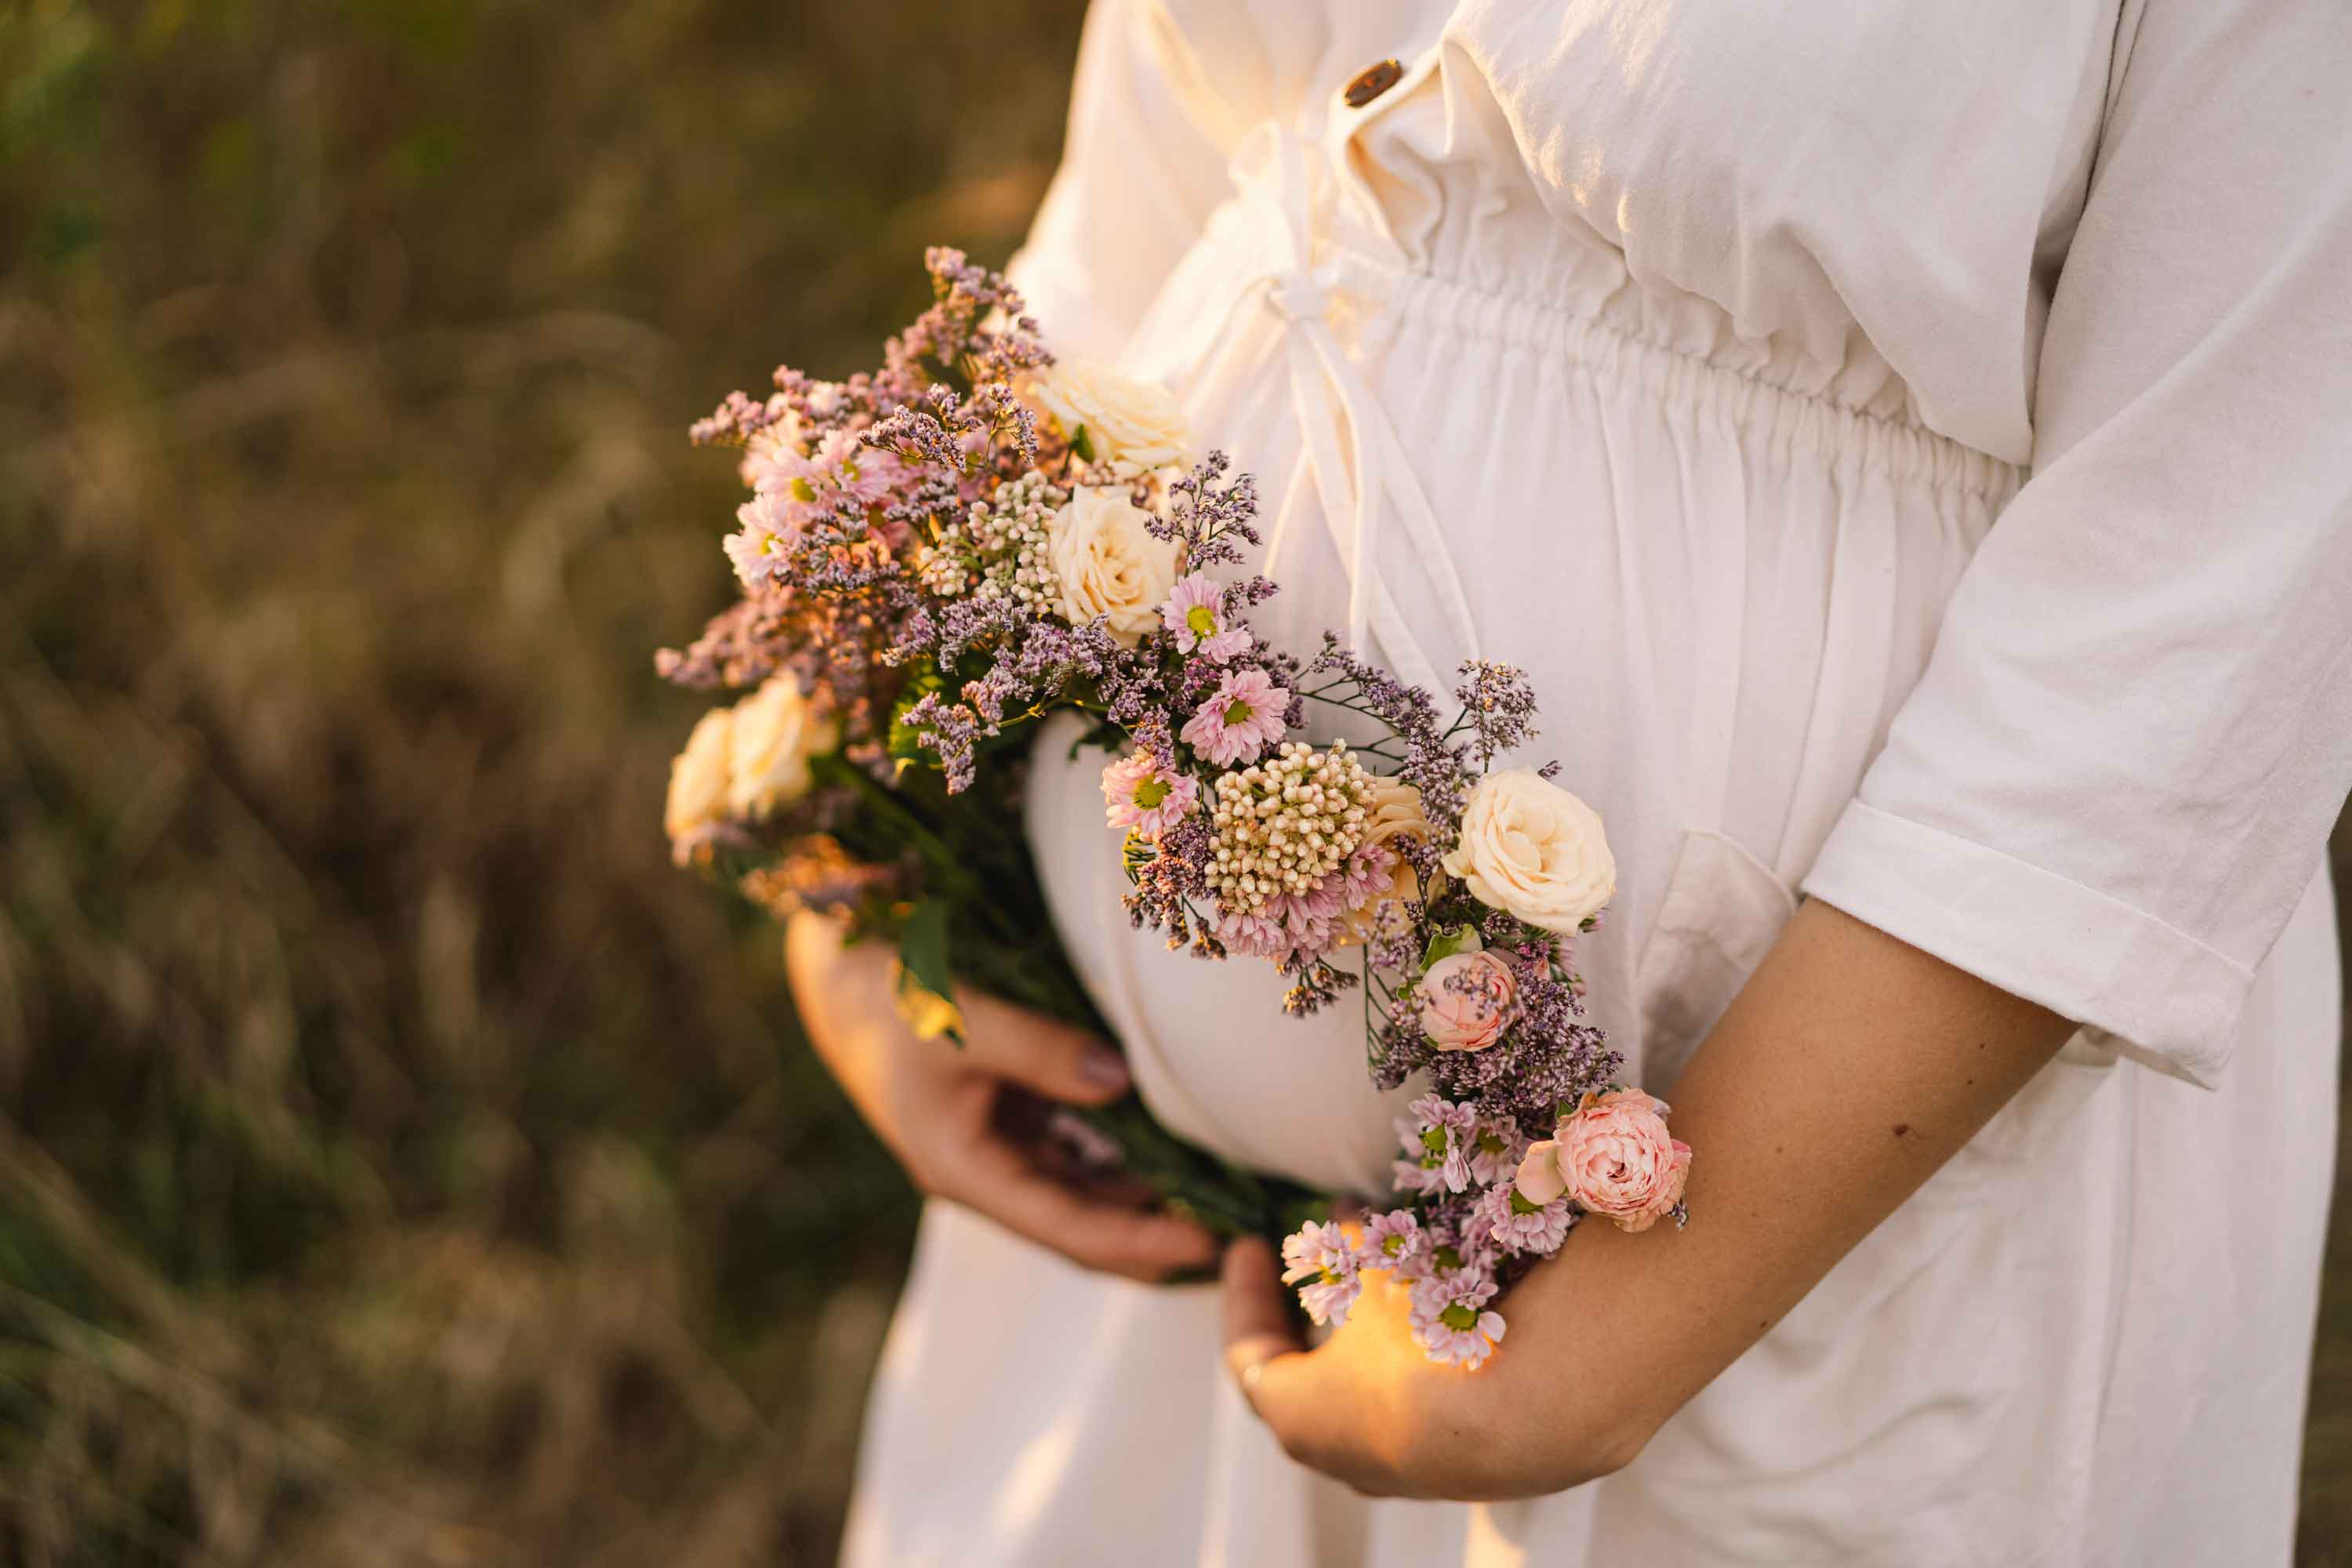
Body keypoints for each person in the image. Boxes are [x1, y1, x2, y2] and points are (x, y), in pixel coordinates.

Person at [786, 2, 2350, 1563]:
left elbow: (2207, 581)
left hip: (1794, 1262)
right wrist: (878, 877)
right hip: (1146, 1220)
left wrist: (1612, 1347)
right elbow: (1137, 206)